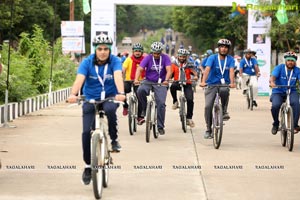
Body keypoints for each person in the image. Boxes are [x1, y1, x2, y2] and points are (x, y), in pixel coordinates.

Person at [67, 34, 126, 185]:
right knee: (87, 132)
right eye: (99, 49)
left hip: (110, 96)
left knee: (111, 110)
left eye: (106, 49)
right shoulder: (87, 62)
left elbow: (118, 76)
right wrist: (73, 94)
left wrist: (121, 93)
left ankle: (113, 140)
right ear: (95, 49)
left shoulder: (115, 60)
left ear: (110, 49)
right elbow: (79, 79)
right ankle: (88, 166)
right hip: (90, 98)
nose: (103, 52)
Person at [200, 39, 235, 139]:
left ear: (228, 49)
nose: (224, 49)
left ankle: (224, 111)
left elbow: (232, 71)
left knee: (224, 91)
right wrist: (203, 81)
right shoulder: (212, 58)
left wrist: (232, 83)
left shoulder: (230, 59)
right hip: (211, 84)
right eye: (222, 47)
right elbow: (207, 70)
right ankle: (208, 129)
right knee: (208, 106)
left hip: (224, 84)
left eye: (226, 47)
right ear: (219, 48)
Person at [134, 41, 172, 135]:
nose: (156, 55)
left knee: (161, 104)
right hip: (148, 81)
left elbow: (169, 70)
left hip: (161, 83)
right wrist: (136, 79)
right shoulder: (148, 58)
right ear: (152, 52)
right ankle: (144, 109)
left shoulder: (165, 58)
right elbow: (140, 69)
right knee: (140, 90)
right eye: (154, 53)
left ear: (161, 52)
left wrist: (166, 80)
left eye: (158, 53)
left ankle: (160, 126)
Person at [269, 51, 300, 135]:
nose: (290, 62)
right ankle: (275, 123)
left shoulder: (297, 70)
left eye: (292, 60)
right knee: (275, 106)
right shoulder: (280, 67)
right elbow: (273, 77)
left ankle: (295, 124)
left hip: (291, 91)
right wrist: (272, 82)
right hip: (278, 91)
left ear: (295, 62)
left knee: (297, 104)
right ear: (285, 61)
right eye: (289, 60)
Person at [170, 49, 198, 127]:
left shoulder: (190, 64)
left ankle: (189, 118)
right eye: (181, 56)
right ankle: (175, 101)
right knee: (172, 87)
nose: (182, 58)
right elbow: (170, 73)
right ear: (178, 56)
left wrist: (195, 76)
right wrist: (168, 78)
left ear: (186, 57)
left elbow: (195, 72)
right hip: (177, 82)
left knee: (190, 100)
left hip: (187, 83)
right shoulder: (174, 64)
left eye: (184, 57)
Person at [122, 43, 145, 116]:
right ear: (133, 52)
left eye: (139, 51)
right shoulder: (128, 60)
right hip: (128, 81)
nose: (137, 52)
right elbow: (123, 69)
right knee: (122, 90)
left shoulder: (144, 60)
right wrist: (120, 77)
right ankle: (125, 106)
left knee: (140, 96)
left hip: (139, 82)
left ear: (141, 52)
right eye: (136, 51)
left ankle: (139, 116)